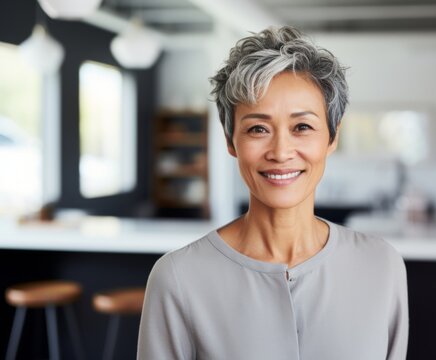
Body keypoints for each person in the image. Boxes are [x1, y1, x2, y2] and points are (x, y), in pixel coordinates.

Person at [137, 26, 408, 360]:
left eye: (302, 127)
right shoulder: (177, 278)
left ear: (332, 137)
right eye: (258, 128)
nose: (281, 151)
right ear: (230, 140)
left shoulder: (381, 266)